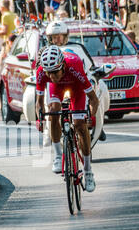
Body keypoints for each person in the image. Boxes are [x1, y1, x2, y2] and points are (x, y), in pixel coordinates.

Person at [36, 45, 99, 193]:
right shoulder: (42, 72)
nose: (51, 77)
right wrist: (40, 119)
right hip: (55, 89)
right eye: (48, 73)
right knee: (53, 111)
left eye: (55, 72)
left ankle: (88, 171)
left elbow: (93, 99)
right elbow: (39, 102)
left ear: (63, 66)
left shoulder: (74, 66)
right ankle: (58, 156)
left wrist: (91, 114)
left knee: (79, 126)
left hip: (76, 87)